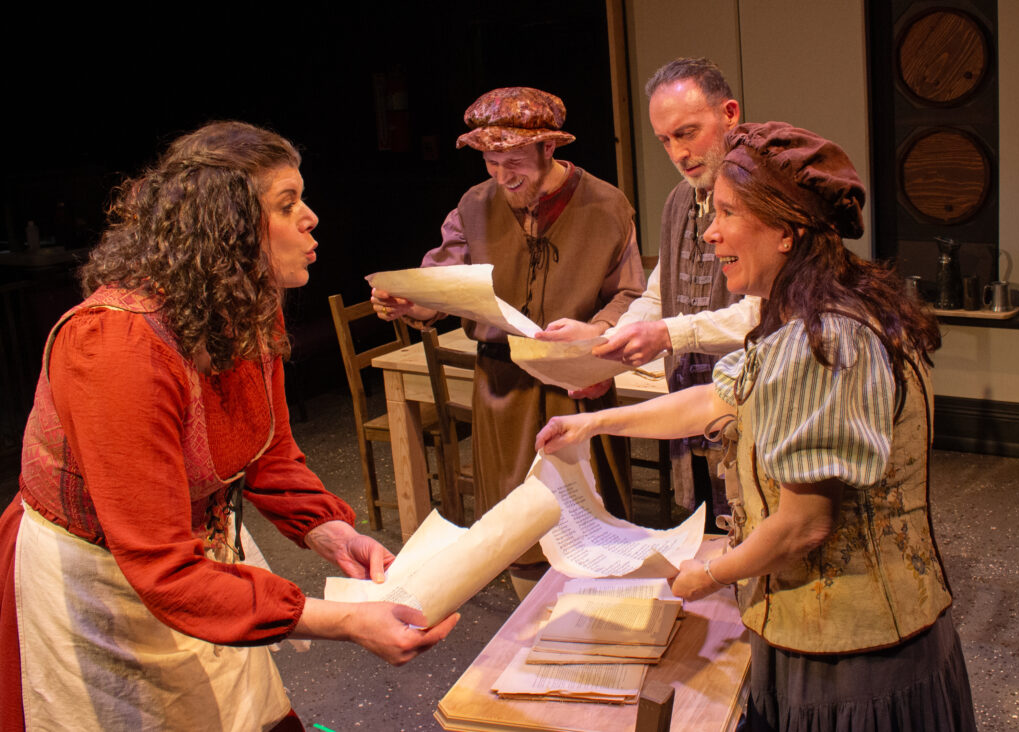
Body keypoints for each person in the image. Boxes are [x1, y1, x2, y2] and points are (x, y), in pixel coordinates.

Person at [0, 121, 458, 732]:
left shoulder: (243, 307)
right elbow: (161, 566)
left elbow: (267, 449)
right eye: (287, 204)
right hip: (104, 581)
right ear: (227, 226)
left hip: (200, 564)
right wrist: (344, 621)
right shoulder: (115, 345)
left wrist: (329, 531)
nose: (311, 218)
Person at [537, 121, 976, 730]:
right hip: (833, 631)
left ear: (785, 230)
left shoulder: (823, 340)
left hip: (854, 657)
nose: (709, 233)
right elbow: (719, 401)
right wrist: (592, 426)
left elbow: (804, 525)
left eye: (727, 213)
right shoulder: (816, 311)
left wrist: (709, 573)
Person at [372, 88, 644, 544]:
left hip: (578, 386)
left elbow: (631, 294)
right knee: (512, 532)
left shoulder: (607, 205)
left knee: (590, 525)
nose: (502, 175)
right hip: (501, 389)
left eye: (514, 161)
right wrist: (408, 302)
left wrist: (596, 329)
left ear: (549, 147)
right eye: (490, 162)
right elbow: (439, 286)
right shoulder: (473, 206)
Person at [544, 58, 760, 528]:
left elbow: (761, 316)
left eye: (687, 133)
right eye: (665, 140)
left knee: (755, 532)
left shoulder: (764, 193)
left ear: (729, 114)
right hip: (693, 409)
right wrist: (606, 345)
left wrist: (667, 335)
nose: (678, 152)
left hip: (754, 411)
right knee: (709, 532)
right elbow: (660, 293)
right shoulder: (681, 199)